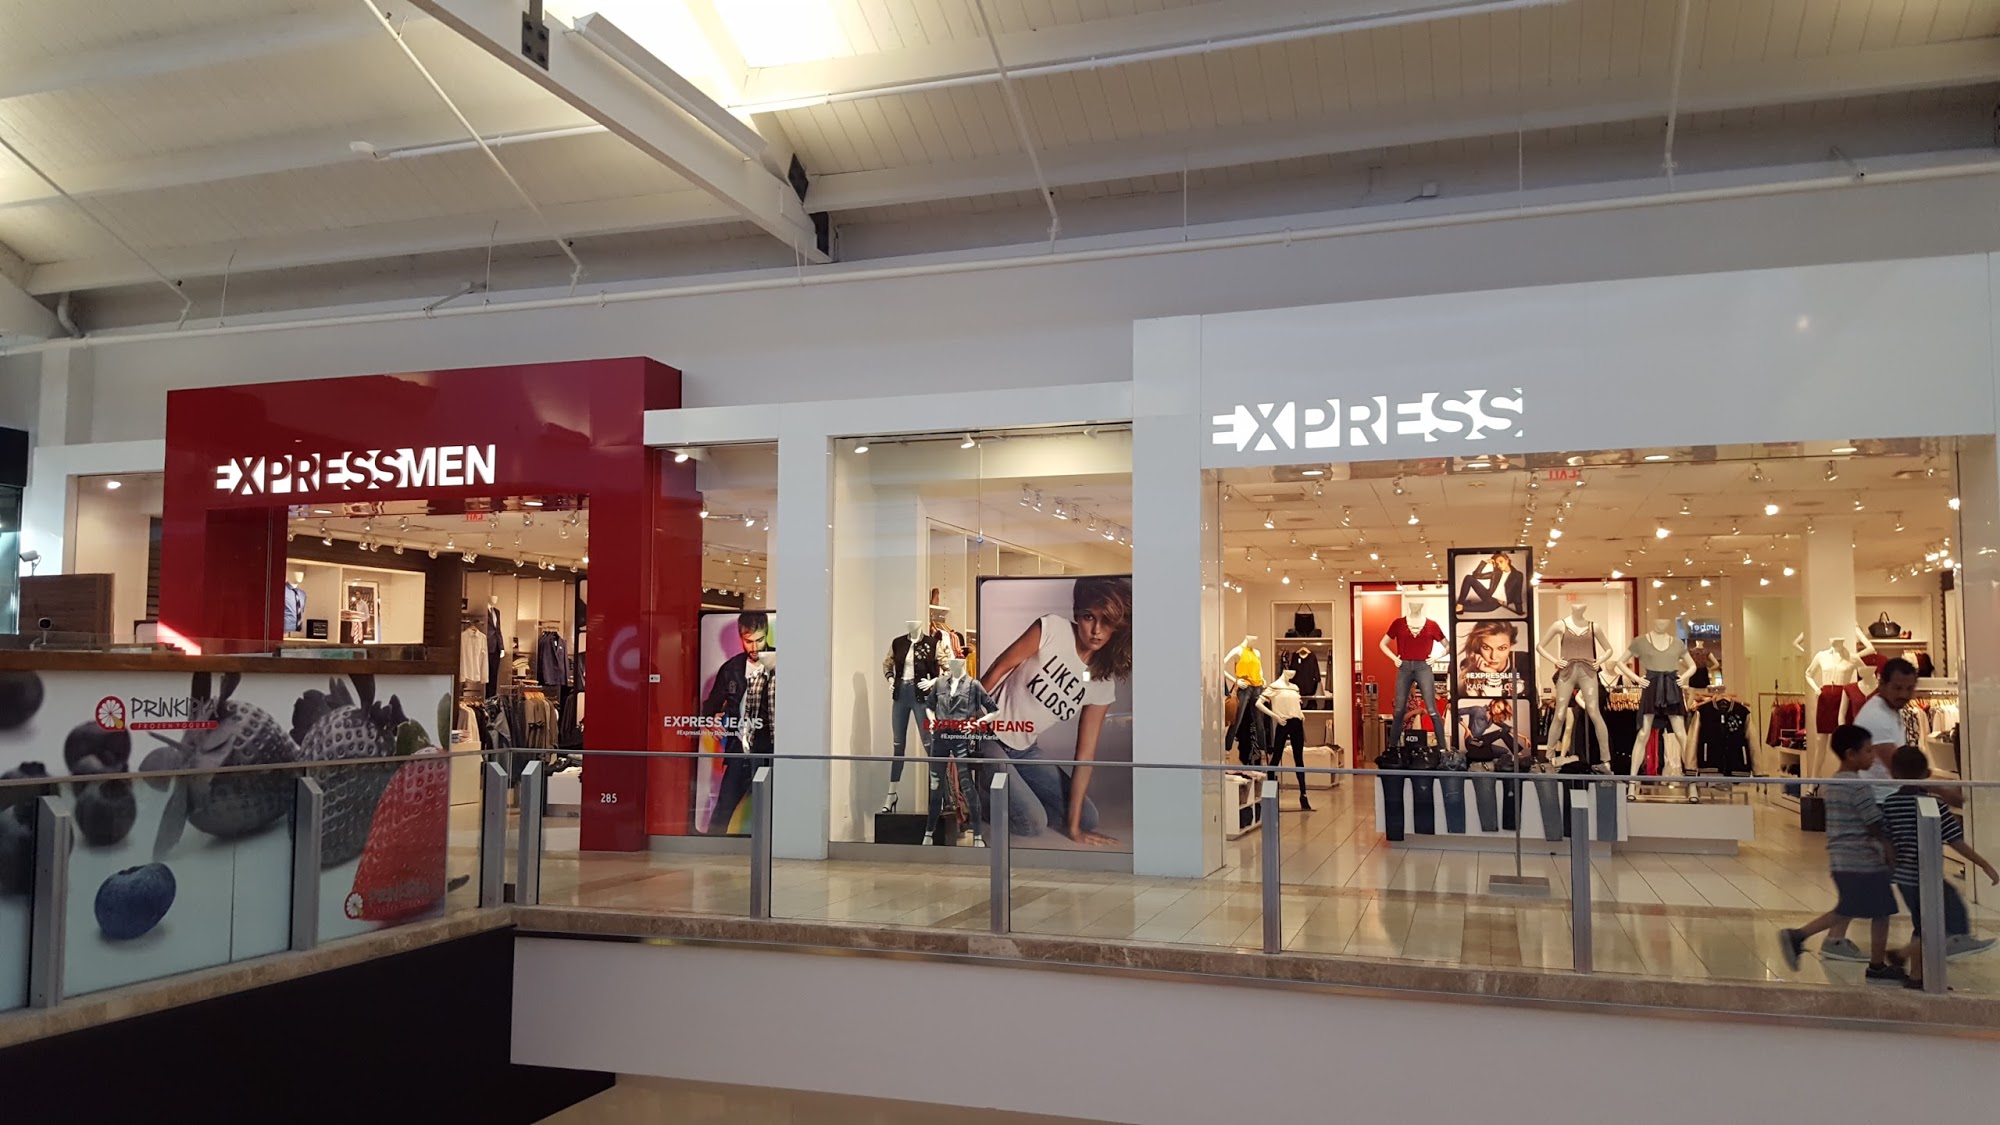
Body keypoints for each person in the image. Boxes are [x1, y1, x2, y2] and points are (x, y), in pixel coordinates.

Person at [978, 577, 1132, 846]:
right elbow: (999, 669)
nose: (1096, 630)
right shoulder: (1051, 628)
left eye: (1106, 621)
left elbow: (1085, 755)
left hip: (1025, 750)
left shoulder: (1102, 683)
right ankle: (976, 798)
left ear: (1117, 626)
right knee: (1032, 823)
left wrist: (1074, 829)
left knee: (1087, 818)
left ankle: (1013, 793)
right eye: (1089, 617)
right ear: (1077, 614)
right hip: (987, 735)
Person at [1819, 656, 1955, 959]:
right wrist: (1944, 791)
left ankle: (1835, 939)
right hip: (1882, 803)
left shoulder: (1890, 712)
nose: (1904, 694)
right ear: (1883, 684)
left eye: (1909, 688)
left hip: (1886, 800)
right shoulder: (1877, 717)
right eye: (1898, 687)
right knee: (1891, 878)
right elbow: (1899, 766)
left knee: (1876, 881)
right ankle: (1937, 937)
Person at [1777, 725, 1906, 984]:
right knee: (1880, 911)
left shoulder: (1833, 784)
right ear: (1851, 754)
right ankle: (1874, 964)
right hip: (1863, 860)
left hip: (1841, 859)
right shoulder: (1858, 787)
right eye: (1868, 751)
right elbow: (1874, 823)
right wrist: (1889, 848)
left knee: (1850, 907)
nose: (1873, 757)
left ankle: (1801, 936)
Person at [1880, 745, 1998, 987]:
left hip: (1904, 878)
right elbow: (1955, 841)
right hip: (1928, 876)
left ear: (1893, 773)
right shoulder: (1934, 805)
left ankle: (1914, 972)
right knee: (1947, 919)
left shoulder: (1890, 804)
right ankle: (1917, 955)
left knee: (1922, 925)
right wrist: (1984, 864)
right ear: (1926, 774)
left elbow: (1887, 841)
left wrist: (1892, 865)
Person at [1458, 620, 1527, 698]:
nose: (1493, 657)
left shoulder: (1525, 661)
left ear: (1510, 645)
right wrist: (1492, 675)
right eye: (1486, 647)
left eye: (1502, 648)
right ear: (1478, 646)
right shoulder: (1468, 666)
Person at [1454, 552, 1526, 617]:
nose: (1499, 565)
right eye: (1497, 563)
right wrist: (1484, 563)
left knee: (1464, 608)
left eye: (1501, 561)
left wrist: (1519, 611)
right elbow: (1476, 575)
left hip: (1494, 603)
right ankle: (1460, 604)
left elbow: (1517, 593)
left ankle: (1463, 605)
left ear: (1507, 560)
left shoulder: (1518, 575)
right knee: (1469, 578)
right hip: (1487, 595)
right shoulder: (1496, 573)